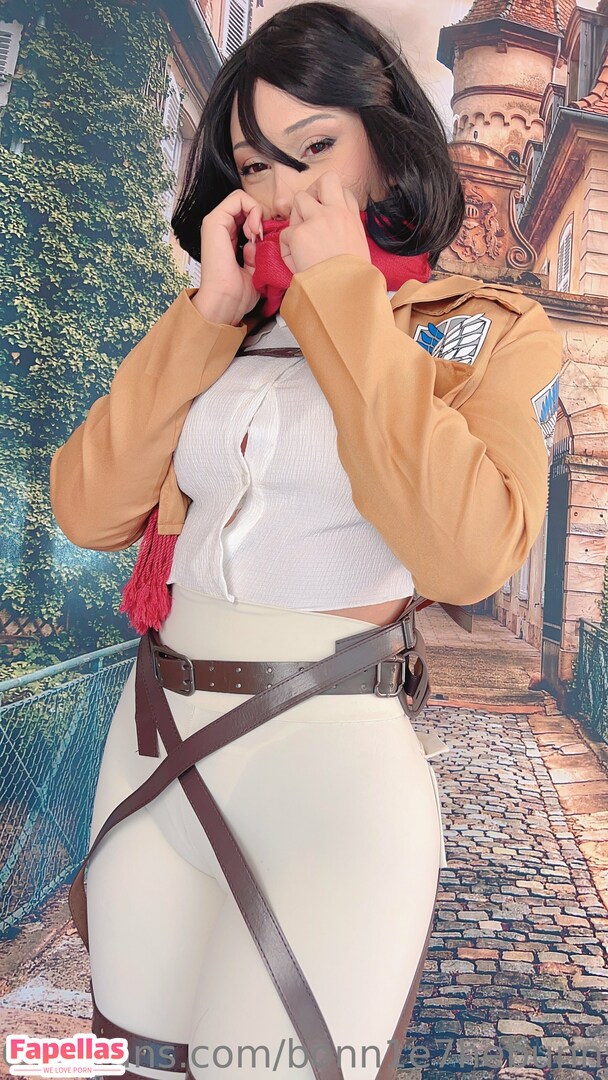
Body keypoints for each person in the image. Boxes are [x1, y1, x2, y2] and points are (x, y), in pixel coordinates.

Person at [48, 3, 563, 1078]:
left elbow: (469, 555)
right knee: (133, 1064)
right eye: (255, 164)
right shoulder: (217, 321)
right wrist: (206, 314)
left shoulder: (481, 333)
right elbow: (90, 510)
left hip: (326, 771)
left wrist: (339, 298)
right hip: (152, 746)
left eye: (315, 146)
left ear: (385, 141)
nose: (284, 191)